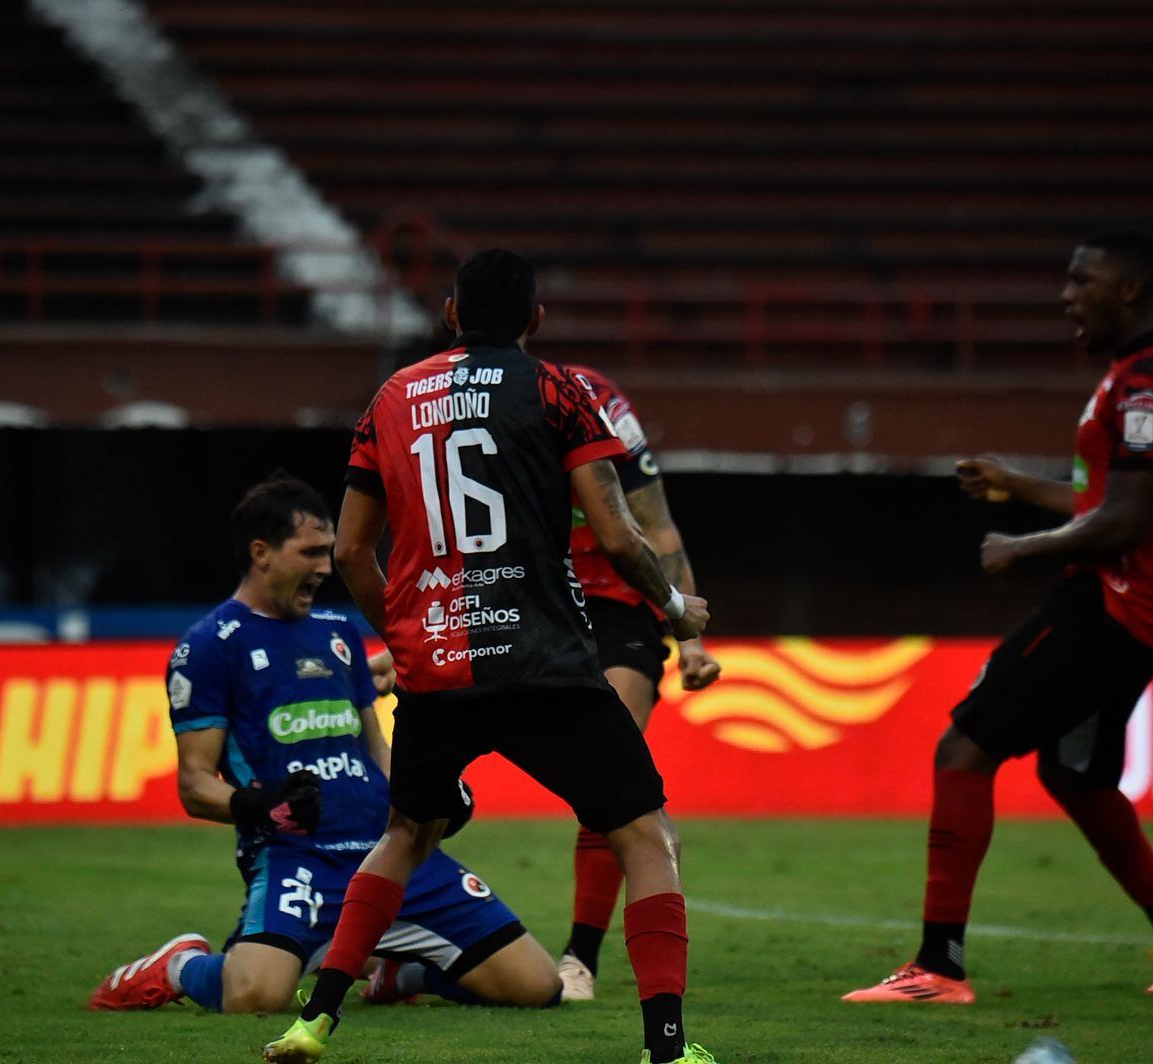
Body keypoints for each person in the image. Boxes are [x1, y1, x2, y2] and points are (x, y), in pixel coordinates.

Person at [263, 249, 721, 1064]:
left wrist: (404, 635)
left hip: (438, 666)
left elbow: (357, 550)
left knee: (405, 833)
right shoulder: (560, 391)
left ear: (449, 314)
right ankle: (669, 1049)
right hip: (545, 662)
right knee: (643, 834)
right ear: (536, 320)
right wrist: (676, 608)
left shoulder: (391, 397)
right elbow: (618, 534)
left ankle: (315, 1021)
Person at [843, 229, 1153, 1004]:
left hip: (1111, 603)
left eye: (1081, 280)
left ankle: (938, 967)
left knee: (964, 747)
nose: (1066, 296)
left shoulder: (1149, 382)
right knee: (1076, 774)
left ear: (1127, 289)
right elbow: (1116, 498)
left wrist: (1023, 548)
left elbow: (1124, 522)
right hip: (1151, 610)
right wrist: (1018, 483)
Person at [87, 474, 560, 1016]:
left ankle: (399, 972)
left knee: (537, 987)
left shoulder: (338, 636)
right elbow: (194, 786)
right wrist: (260, 806)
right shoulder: (209, 648)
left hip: (391, 853)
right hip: (299, 857)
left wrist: (426, 793)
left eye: (327, 552)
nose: (323, 567)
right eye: (310, 552)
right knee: (256, 996)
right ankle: (178, 965)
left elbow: (377, 749)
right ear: (260, 553)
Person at [554, 364, 721, 1002]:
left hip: (622, 604)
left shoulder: (600, 403)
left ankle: (579, 960)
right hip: (532, 600)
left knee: (609, 774)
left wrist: (692, 639)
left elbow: (658, 525)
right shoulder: (486, 407)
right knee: (431, 792)